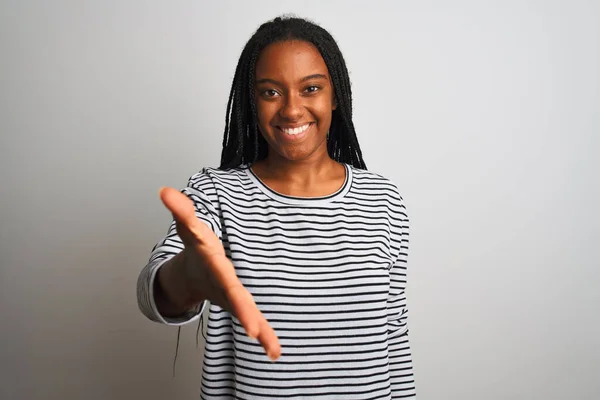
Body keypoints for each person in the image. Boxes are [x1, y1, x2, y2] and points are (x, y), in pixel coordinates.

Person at [137, 15, 416, 399]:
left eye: (311, 88)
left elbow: (394, 338)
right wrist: (186, 277)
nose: (291, 109)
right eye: (271, 92)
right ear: (253, 102)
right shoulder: (217, 195)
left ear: (335, 96)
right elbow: (152, 295)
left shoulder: (383, 200)